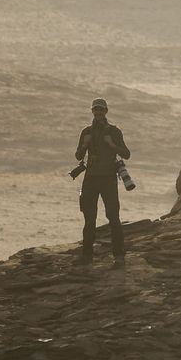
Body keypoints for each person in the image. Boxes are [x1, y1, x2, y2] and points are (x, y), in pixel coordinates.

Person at [75, 98, 131, 265]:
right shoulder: (86, 132)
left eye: (101, 110)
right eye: (96, 110)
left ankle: (119, 256)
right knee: (89, 217)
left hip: (108, 178)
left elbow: (126, 154)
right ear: (92, 111)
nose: (99, 113)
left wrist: (111, 145)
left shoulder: (114, 131)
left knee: (113, 216)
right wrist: (85, 146)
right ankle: (87, 256)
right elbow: (78, 156)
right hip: (91, 178)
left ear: (106, 111)